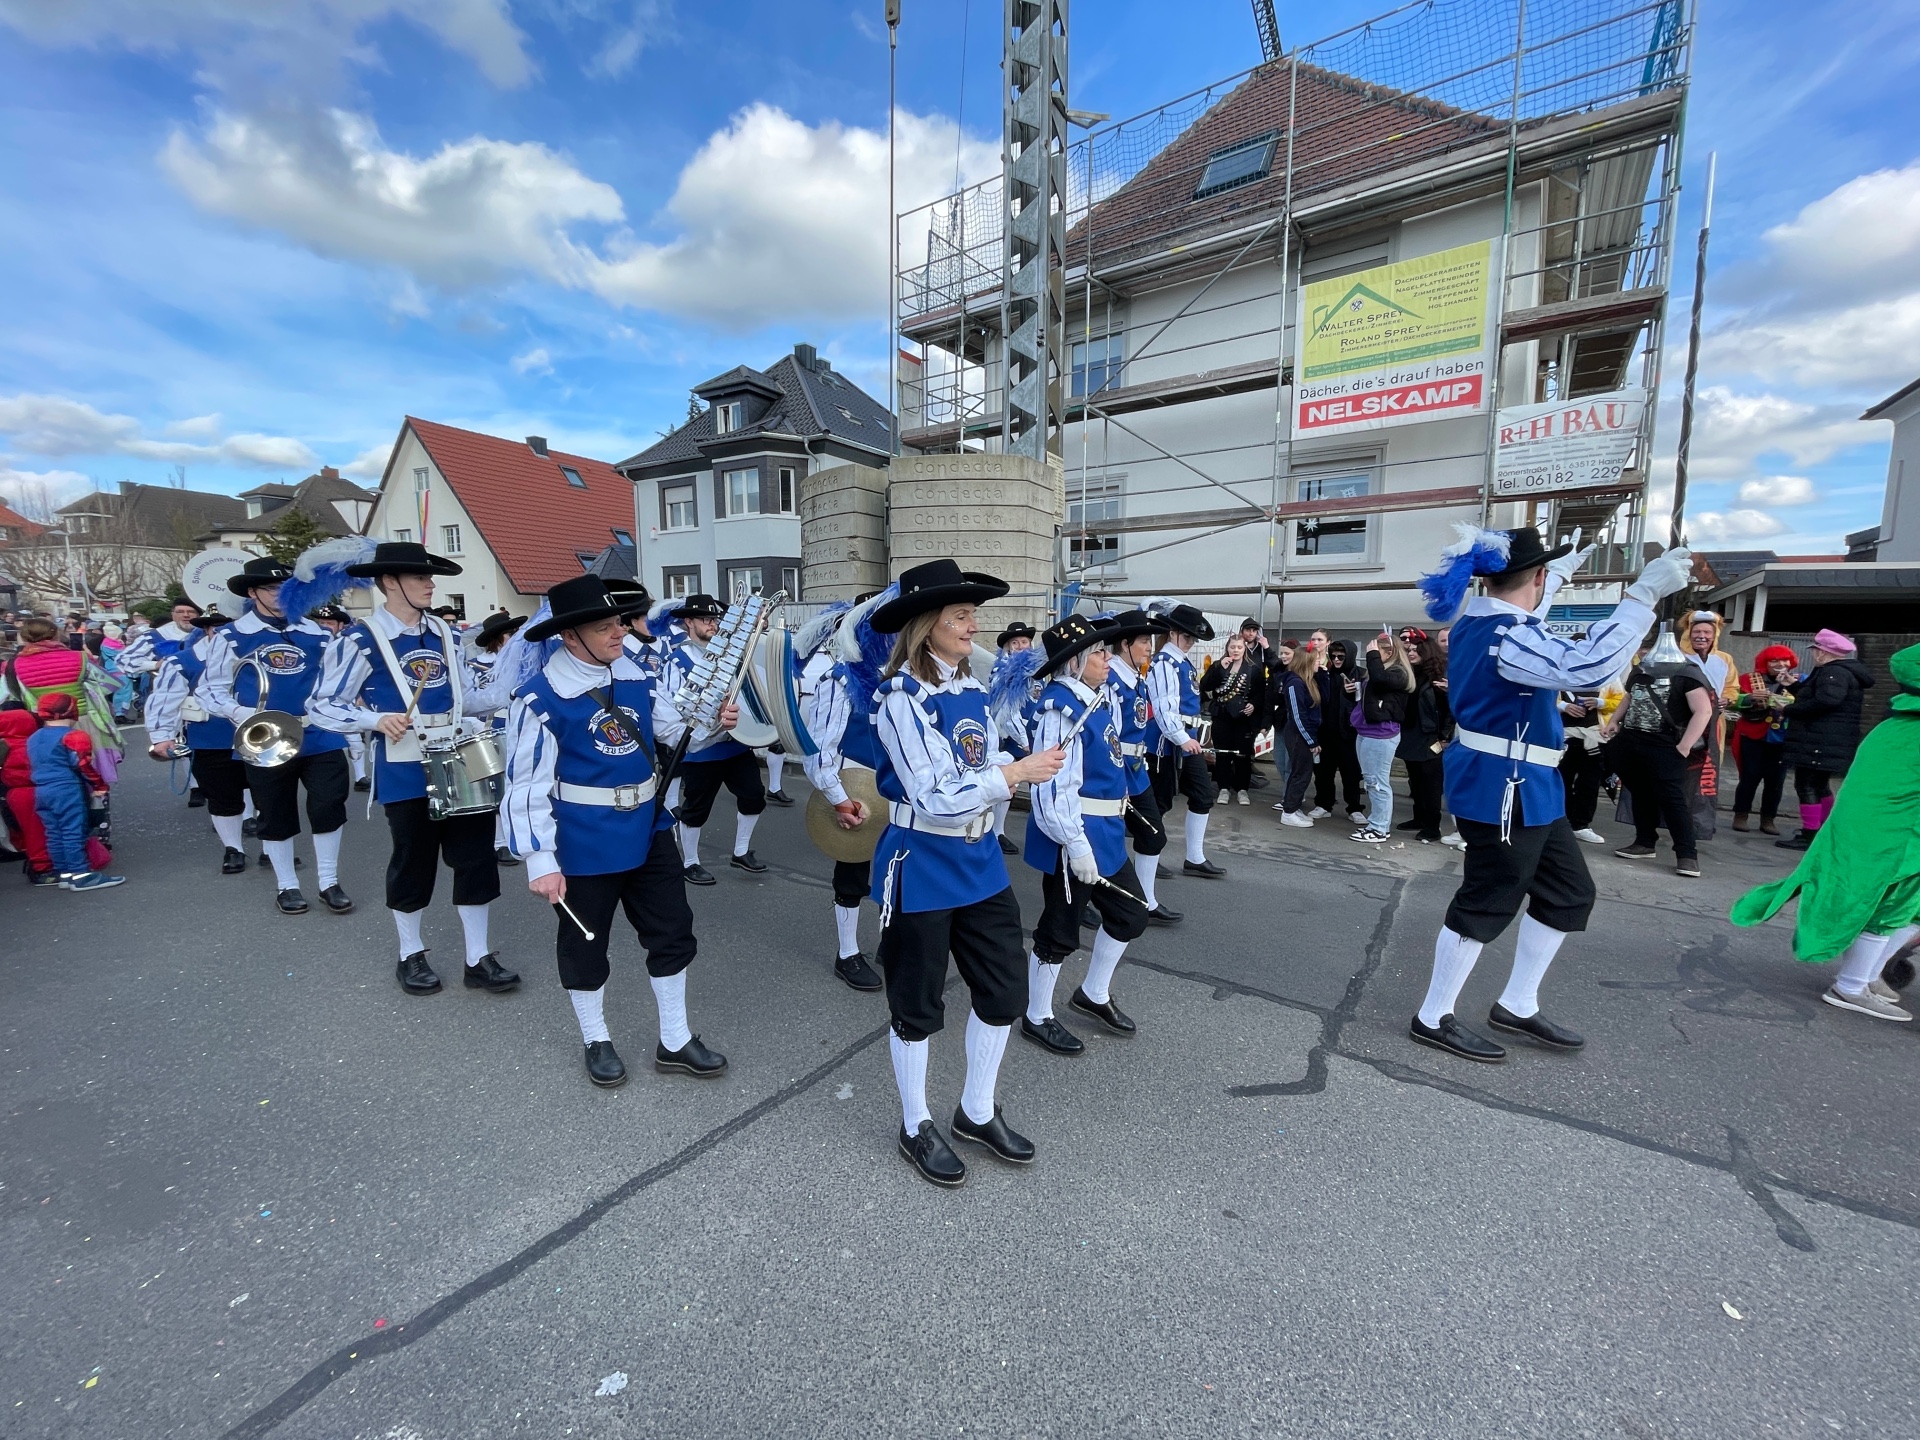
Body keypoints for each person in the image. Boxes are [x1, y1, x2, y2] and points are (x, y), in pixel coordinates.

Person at [1407, 525, 1695, 1063]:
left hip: (1524, 783)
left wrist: (1558, 572)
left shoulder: (1481, 619)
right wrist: (1641, 596)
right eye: (1546, 574)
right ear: (1534, 577)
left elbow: (1528, 612)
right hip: (1505, 785)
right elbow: (1589, 668)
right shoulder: (1508, 634)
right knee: (1487, 900)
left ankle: (1517, 1003)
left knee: (1567, 890)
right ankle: (1432, 1016)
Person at [866, 559, 1065, 1187]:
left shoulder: (973, 688)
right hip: (922, 861)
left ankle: (976, 1111)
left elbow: (980, 755)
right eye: (961, 615)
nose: (972, 624)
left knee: (1003, 992)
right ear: (928, 625)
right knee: (917, 1005)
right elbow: (931, 791)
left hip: (979, 863)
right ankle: (915, 1123)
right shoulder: (901, 696)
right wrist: (1013, 775)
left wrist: (1018, 757)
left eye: (972, 615)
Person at [503, 576, 735, 1087]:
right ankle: (596, 1037)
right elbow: (525, 786)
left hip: (648, 826)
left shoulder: (636, 675)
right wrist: (539, 859)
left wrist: (719, 723)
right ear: (569, 636)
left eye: (619, 621)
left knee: (672, 932)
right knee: (586, 945)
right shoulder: (539, 697)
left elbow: (676, 734)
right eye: (604, 626)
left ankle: (674, 1039)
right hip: (582, 840)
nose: (619, 632)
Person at [308, 540, 522, 993]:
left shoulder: (445, 633)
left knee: (475, 860)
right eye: (420, 577)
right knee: (413, 861)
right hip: (405, 766)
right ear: (389, 582)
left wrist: (509, 689)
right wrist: (373, 719)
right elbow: (321, 704)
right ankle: (410, 953)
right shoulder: (359, 638)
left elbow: (466, 697)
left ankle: (477, 958)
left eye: (430, 577)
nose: (430, 584)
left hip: (460, 756)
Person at [1732, 641, 1920, 1022]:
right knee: (1891, 907)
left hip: (1879, 833)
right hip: (1891, 840)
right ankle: (1854, 985)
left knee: (1894, 907)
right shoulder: (1905, 729)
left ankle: (1863, 980)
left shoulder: (1894, 726)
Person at [1021, 615, 1152, 1055]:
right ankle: (1037, 1016)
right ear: (1075, 661)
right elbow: (1052, 788)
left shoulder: (1090, 699)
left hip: (1106, 833)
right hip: (1075, 835)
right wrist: (1075, 846)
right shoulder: (1062, 708)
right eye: (1099, 652)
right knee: (1059, 930)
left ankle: (1093, 994)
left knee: (1131, 914)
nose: (1107, 658)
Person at [201, 557, 353, 917]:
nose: (282, 595)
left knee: (329, 804)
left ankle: (329, 882)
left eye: (288, 588)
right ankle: (287, 885)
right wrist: (244, 715)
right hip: (264, 735)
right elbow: (210, 689)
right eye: (272, 588)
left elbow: (334, 682)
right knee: (275, 812)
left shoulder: (317, 631)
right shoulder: (231, 635)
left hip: (318, 732)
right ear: (252, 592)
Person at [800, 588, 892, 992]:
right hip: (856, 788)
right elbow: (819, 749)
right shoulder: (839, 677)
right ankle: (848, 952)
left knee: (897, 870)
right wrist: (839, 799)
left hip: (898, 791)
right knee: (853, 873)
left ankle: (892, 942)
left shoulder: (902, 675)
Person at [659, 594, 766, 884]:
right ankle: (690, 861)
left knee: (754, 796)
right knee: (696, 809)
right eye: (705, 619)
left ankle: (741, 851)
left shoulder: (730, 657)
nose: (713, 624)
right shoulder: (676, 660)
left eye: (715, 618)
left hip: (735, 742)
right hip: (700, 749)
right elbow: (672, 710)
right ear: (688, 622)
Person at [145, 607, 252, 875]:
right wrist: (162, 737)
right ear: (206, 629)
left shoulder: (253, 655)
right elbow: (165, 700)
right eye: (218, 628)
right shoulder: (182, 661)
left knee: (268, 792)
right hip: (210, 739)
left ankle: (271, 846)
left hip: (257, 736)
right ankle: (233, 848)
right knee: (222, 796)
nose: (224, 634)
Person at [1607, 625, 1714, 878]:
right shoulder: (1641, 670)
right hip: (1632, 740)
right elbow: (1630, 697)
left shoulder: (1688, 674)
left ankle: (1687, 854)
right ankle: (1645, 841)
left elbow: (1704, 711)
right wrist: (1614, 720)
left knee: (1672, 799)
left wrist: (1685, 745)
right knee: (1641, 793)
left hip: (1666, 744)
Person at [1103, 608, 1179, 925]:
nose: (1150, 647)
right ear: (1125, 644)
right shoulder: (1112, 681)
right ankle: (1083, 903)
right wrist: (1114, 780)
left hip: (1137, 771)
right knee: (1104, 841)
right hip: (1117, 773)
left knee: (1153, 836)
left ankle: (1146, 901)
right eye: (1144, 641)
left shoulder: (1135, 676)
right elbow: (1110, 736)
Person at [1145, 604, 1225, 878]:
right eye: (1187, 637)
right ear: (1173, 633)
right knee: (1159, 803)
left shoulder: (1181, 661)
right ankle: (1148, 857)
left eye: (1193, 638)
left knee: (1202, 796)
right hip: (1165, 744)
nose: (1191, 643)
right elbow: (1164, 707)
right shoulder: (1164, 662)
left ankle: (1195, 857)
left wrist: (1189, 738)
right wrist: (1181, 738)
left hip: (1185, 741)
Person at [1776, 629, 1872, 853]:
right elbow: (1818, 695)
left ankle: (1810, 834)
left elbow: (1826, 701)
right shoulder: (1841, 672)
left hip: (1819, 739)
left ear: (1824, 653)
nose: (1814, 655)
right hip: (1829, 740)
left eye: (1816, 650)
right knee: (1819, 784)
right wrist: (1793, 684)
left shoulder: (1833, 673)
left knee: (1807, 784)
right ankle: (1821, 830)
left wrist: (1788, 709)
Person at [28, 693, 123, 890]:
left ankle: (64, 873)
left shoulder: (34, 737)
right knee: (73, 831)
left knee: (54, 832)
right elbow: (83, 766)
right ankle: (81, 874)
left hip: (41, 790)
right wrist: (99, 786)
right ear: (71, 711)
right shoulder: (74, 736)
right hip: (66, 788)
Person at [1351, 628, 1414, 843]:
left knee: (1377, 782)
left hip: (1380, 734)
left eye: (1377, 650)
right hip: (1366, 731)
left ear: (1389, 652)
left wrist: (1372, 656)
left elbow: (1379, 679)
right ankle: (1377, 822)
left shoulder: (1398, 673)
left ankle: (1379, 828)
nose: (1372, 652)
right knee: (1371, 781)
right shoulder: (1385, 672)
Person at [1730, 644, 1797, 835]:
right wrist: (1750, 698)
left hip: (1782, 737)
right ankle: (1741, 814)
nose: (1780, 664)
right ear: (1765, 662)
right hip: (1752, 734)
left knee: (1776, 780)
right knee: (1749, 776)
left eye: (1785, 660)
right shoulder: (1747, 679)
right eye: (1774, 660)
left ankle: (1768, 819)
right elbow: (1732, 702)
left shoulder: (1798, 681)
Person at [985, 619, 1038, 853]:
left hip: (1031, 733)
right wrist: (1024, 742)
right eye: (1014, 643)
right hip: (1010, 737)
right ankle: (997, 831)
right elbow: (1006, 712)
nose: (1020, 646)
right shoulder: (1002, 671)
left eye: (1024, 641)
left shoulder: (1035, 669)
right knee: (1008, 782)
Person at [1396, 628, 1452, 843]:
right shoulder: (1410, 674)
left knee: (1431, 784)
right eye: (1409, 650)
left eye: (1416, 650)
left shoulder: (1438, 676)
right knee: (1416, 781)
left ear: (1426, 651)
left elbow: (1449, 711)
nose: (1410, 652)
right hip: (1411, 734)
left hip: (1430, 736)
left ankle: (1432, 826)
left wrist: (1444, 736)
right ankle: (1419, 818)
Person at [1199, 634, 1260, 803]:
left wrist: (1253, 704)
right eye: (1232, 647)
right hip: (1222, 715)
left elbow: (1260, 692)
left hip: (1242, 717)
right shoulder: (1218, 665)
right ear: (1227, 648)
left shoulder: (1252, 668)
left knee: (1243, 754)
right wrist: (1219, 669)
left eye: (1239, 647)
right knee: (1222, 754)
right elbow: (1205, 686)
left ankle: (1242, 789)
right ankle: (1223, 788)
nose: (1236, 650)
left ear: (1244, 648)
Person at [1311, 639, 1365, 822]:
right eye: (1332, 656)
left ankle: (1354, 808)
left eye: (1340, 656)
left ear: (1349, 655)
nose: (1336, 659)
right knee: (1323, 772)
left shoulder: (1362, 675)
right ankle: (1323, 804)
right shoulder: (1325, 674)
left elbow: (1368, 704)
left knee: (1351, 774)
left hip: (1349, 734)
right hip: (1325, 732)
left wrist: (1355, 693)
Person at [1272, 641, 1321, 827]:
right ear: (1307, 662)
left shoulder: (1306, 681)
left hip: (1304, 735)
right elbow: (1297, 715)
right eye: (1316, 661)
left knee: (1302, 773)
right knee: (1299, 773)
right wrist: (1311, 741)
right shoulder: (1294, 683)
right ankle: (1289, 811)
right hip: (1298, 735)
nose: (1319, 663)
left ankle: (1292, 807)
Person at [1555, 683, 1608, 845]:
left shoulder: (1606, 676)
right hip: (1562, 735)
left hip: (1594, 736)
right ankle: (1558, 822)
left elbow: (1621, 699)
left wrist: (1600, 702)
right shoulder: (1558, 672)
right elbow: (1540, 696)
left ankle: (1581, 825)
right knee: (1560, 780)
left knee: (1589, 783)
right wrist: (1563, 706)